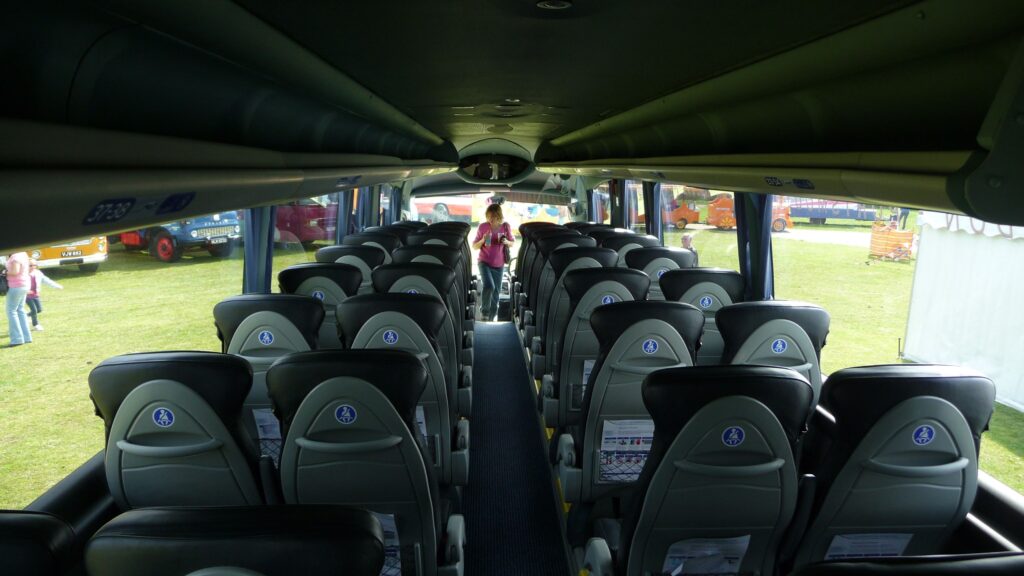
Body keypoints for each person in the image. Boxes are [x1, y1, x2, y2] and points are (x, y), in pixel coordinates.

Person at [472, 204, 514, 321]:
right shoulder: (483, 227)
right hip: (484, 262)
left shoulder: (505, 227)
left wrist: (506, 241)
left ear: (499, 216)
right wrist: (483, 240)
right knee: (489, 285)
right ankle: (484, 312)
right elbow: (475, 246)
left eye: (494, 216)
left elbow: (512, 243)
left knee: (496, 291)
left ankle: (491, 317)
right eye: (489, 216)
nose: (491, 219)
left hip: (499, 265)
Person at [4, 251, 33, 347]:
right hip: (24, 284)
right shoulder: (23, 253)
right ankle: (26, 337)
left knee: (11, 311)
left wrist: (4, 272)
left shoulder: (15, 256)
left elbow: (15, 271)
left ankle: (17, 339)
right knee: (20, 310)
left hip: (15, 286)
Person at [26, 260, 63, 331]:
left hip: (35, 294)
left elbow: (46, 280)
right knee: (34, 310)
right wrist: (25, 291)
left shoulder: (38, 273)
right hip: (26, 295)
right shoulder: (23, 274)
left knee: (39, 309)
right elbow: (19, 284)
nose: (33, 267)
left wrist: (57, 286)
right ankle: (36, 324)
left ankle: (25, 316)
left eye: (34, 265)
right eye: (30, 265)